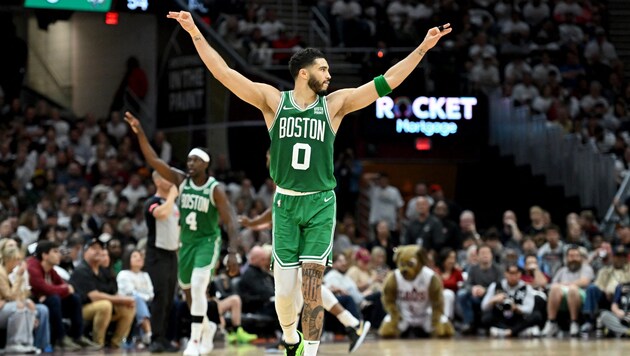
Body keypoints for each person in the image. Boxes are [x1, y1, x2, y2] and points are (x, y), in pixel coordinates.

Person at [166, 10, 450, 356]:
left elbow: (386, 81)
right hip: (285, 204)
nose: (329, 74)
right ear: (304, 73)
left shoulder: (335, 105)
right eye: (323, 69)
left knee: (313, 284)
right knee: (285, 296)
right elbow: (223, 73)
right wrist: (195, 31)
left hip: (320, 203)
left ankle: (310, 351)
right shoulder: (274, 101)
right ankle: (290, 339)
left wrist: (422, 48)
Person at [125, 113, 240, 356]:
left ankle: (194, 341)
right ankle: (206, 328)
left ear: (206, 164)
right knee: (189, 293)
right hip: (185, 244)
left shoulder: (214, 189)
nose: (190, 164)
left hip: (207, 242)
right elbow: (153, 159)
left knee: (199, 286)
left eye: (195, 161)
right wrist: (140, 133)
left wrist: (232, 252)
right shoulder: (180, 180)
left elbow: (230, 221)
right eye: (188, 160)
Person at [27, 241, 101, 351]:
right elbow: (45, 288)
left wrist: (61, 289)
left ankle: (78, 336)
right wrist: (62, 289)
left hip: (46, 300)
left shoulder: (50, 270)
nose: (59, 254)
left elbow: (66, 286)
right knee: (54, 299)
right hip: (32, 302)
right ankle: (60, 339)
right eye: (55, 251)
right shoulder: (32, 267)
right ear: (45, 255)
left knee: (74, 298)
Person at [143, 170, 180, 353]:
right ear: (157, 181)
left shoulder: (173, 205)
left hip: (172, 255)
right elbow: (160, 214)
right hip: (156, 255)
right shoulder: (153, 203)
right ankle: (155, 338)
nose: (172, 180)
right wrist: (173, 195)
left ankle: (165, 337)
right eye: (167, 177)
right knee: (160, 296)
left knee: (169, 298)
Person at [116, 249, 154, 346]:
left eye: (140, 256)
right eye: (135, 256)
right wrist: (145, 296)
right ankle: (148, 332)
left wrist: (145, 296)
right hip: (127, 302)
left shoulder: (145, 275)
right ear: (128, 259)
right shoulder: (123, 274)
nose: (139, 258)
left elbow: (151, 292)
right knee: (137, 299)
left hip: (146, 300)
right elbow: (130, 292)